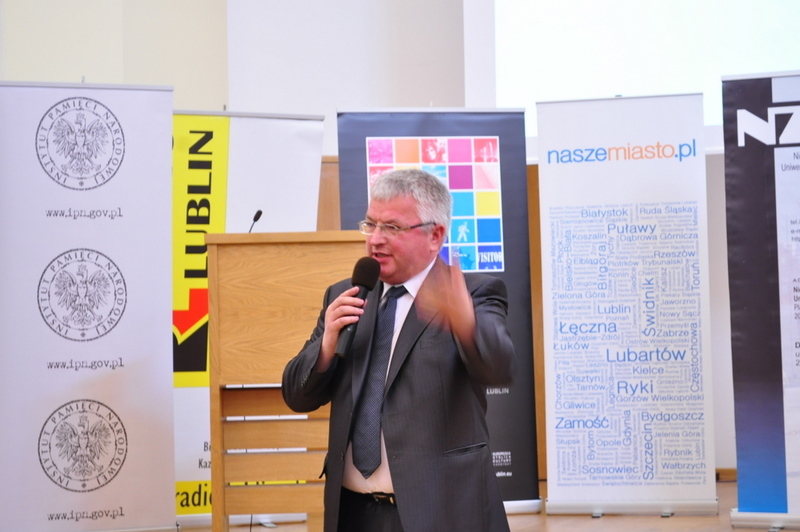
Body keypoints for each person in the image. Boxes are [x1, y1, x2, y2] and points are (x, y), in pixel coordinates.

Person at [282, 168, 517, 532]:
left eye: (392, 227)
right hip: (353, 513)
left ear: (434, 235)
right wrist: (326, 346)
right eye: (370, 225)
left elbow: (499, 369)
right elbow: (296, 396)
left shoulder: (472, 294)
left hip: (443, 511)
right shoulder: (347, 295)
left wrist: (465, 324)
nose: (375, 240)